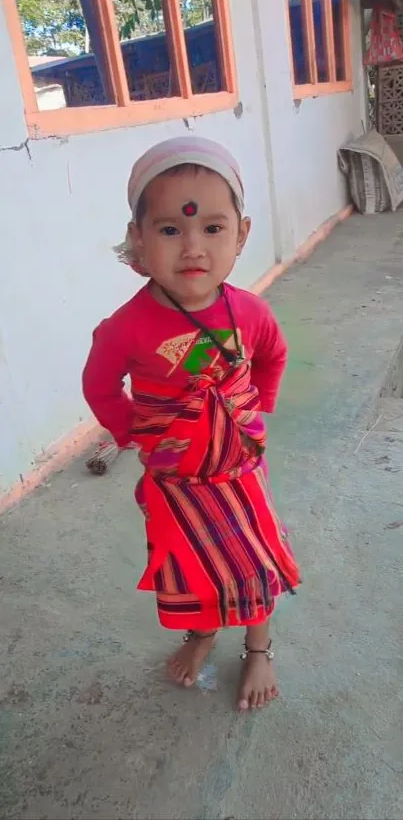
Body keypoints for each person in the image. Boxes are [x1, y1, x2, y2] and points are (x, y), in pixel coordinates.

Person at [82, 136, 300, 711]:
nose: (193, 248)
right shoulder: (124, 329)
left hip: (239, 471)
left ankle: (258, 647)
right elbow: (100, 387)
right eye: (172, 229)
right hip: (174, 481)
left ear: (242, 234)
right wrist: (137, 434)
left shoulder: (251, 312)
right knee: (191, 566)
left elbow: (273, 358)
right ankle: (201, 632)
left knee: (253, 559)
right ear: (139, 238)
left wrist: (256, 413)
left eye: (212, 227)